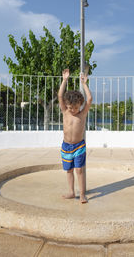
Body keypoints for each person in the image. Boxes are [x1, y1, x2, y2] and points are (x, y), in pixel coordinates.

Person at [58, 68, 92, 203]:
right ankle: (72, 192)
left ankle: (82, 194)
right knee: (69, 170)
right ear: (67, 106)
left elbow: (89, 99)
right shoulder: (65, 112)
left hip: (79, 146)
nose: (73, 110)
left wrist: (84, 84)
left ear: (80, 105)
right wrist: (64, 80)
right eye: (71, 107)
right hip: (66, 146)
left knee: (79, 170)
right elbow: (60, 96)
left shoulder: (82, 114)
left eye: (76, 107)